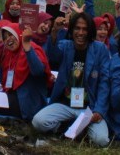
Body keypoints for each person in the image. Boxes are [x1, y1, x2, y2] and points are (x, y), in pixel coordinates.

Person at [33, 12, 110, 147]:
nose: (80, 33)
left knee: (101, 140)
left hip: (89, 108)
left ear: (90, 31)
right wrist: (55, 32)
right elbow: (52, 55)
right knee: (38, 122)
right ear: (71, 30)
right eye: (77, 28)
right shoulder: (65, 46)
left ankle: (77, 128)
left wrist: (99, 110)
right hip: (65, 103)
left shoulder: (100, 49)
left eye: (85, 29)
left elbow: (105, 82)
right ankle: (70, 128)